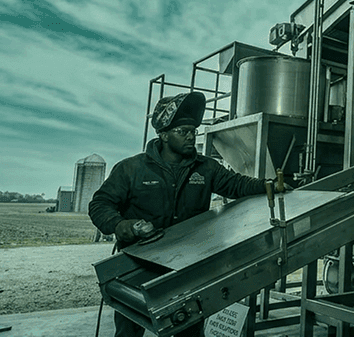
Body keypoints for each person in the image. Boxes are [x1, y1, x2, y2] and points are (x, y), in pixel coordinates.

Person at [89, 91, 270, 337]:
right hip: (137, 265)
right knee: (129, 330)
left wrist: (267, 185)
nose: (190, 137)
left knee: (188, 328)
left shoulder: (206, 168)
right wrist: (126, 226)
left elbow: (237, 184)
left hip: (185, 267)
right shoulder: (131, 169)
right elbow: (100, 204)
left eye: (193, 131)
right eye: (182, 131)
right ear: (163, 135)